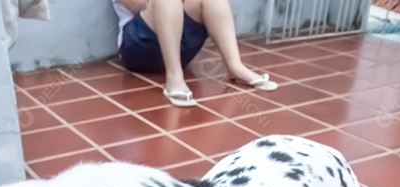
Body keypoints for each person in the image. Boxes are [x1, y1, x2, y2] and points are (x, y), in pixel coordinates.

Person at [112, 0, 278, 107]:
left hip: (178, 44)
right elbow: (141, 3)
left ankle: (234, 65)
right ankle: (174, 78)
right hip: (139, 46)